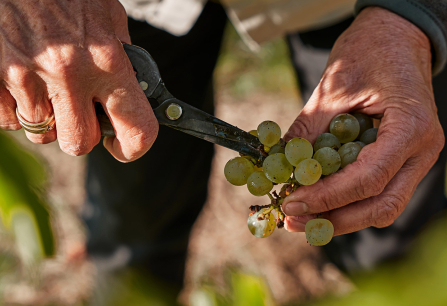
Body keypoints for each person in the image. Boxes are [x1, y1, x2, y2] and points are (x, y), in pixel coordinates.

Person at [0, 0, 446, 295]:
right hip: (109, 12)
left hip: (342, 4)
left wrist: (413, 15)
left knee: (390, 228)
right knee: (134, 232)